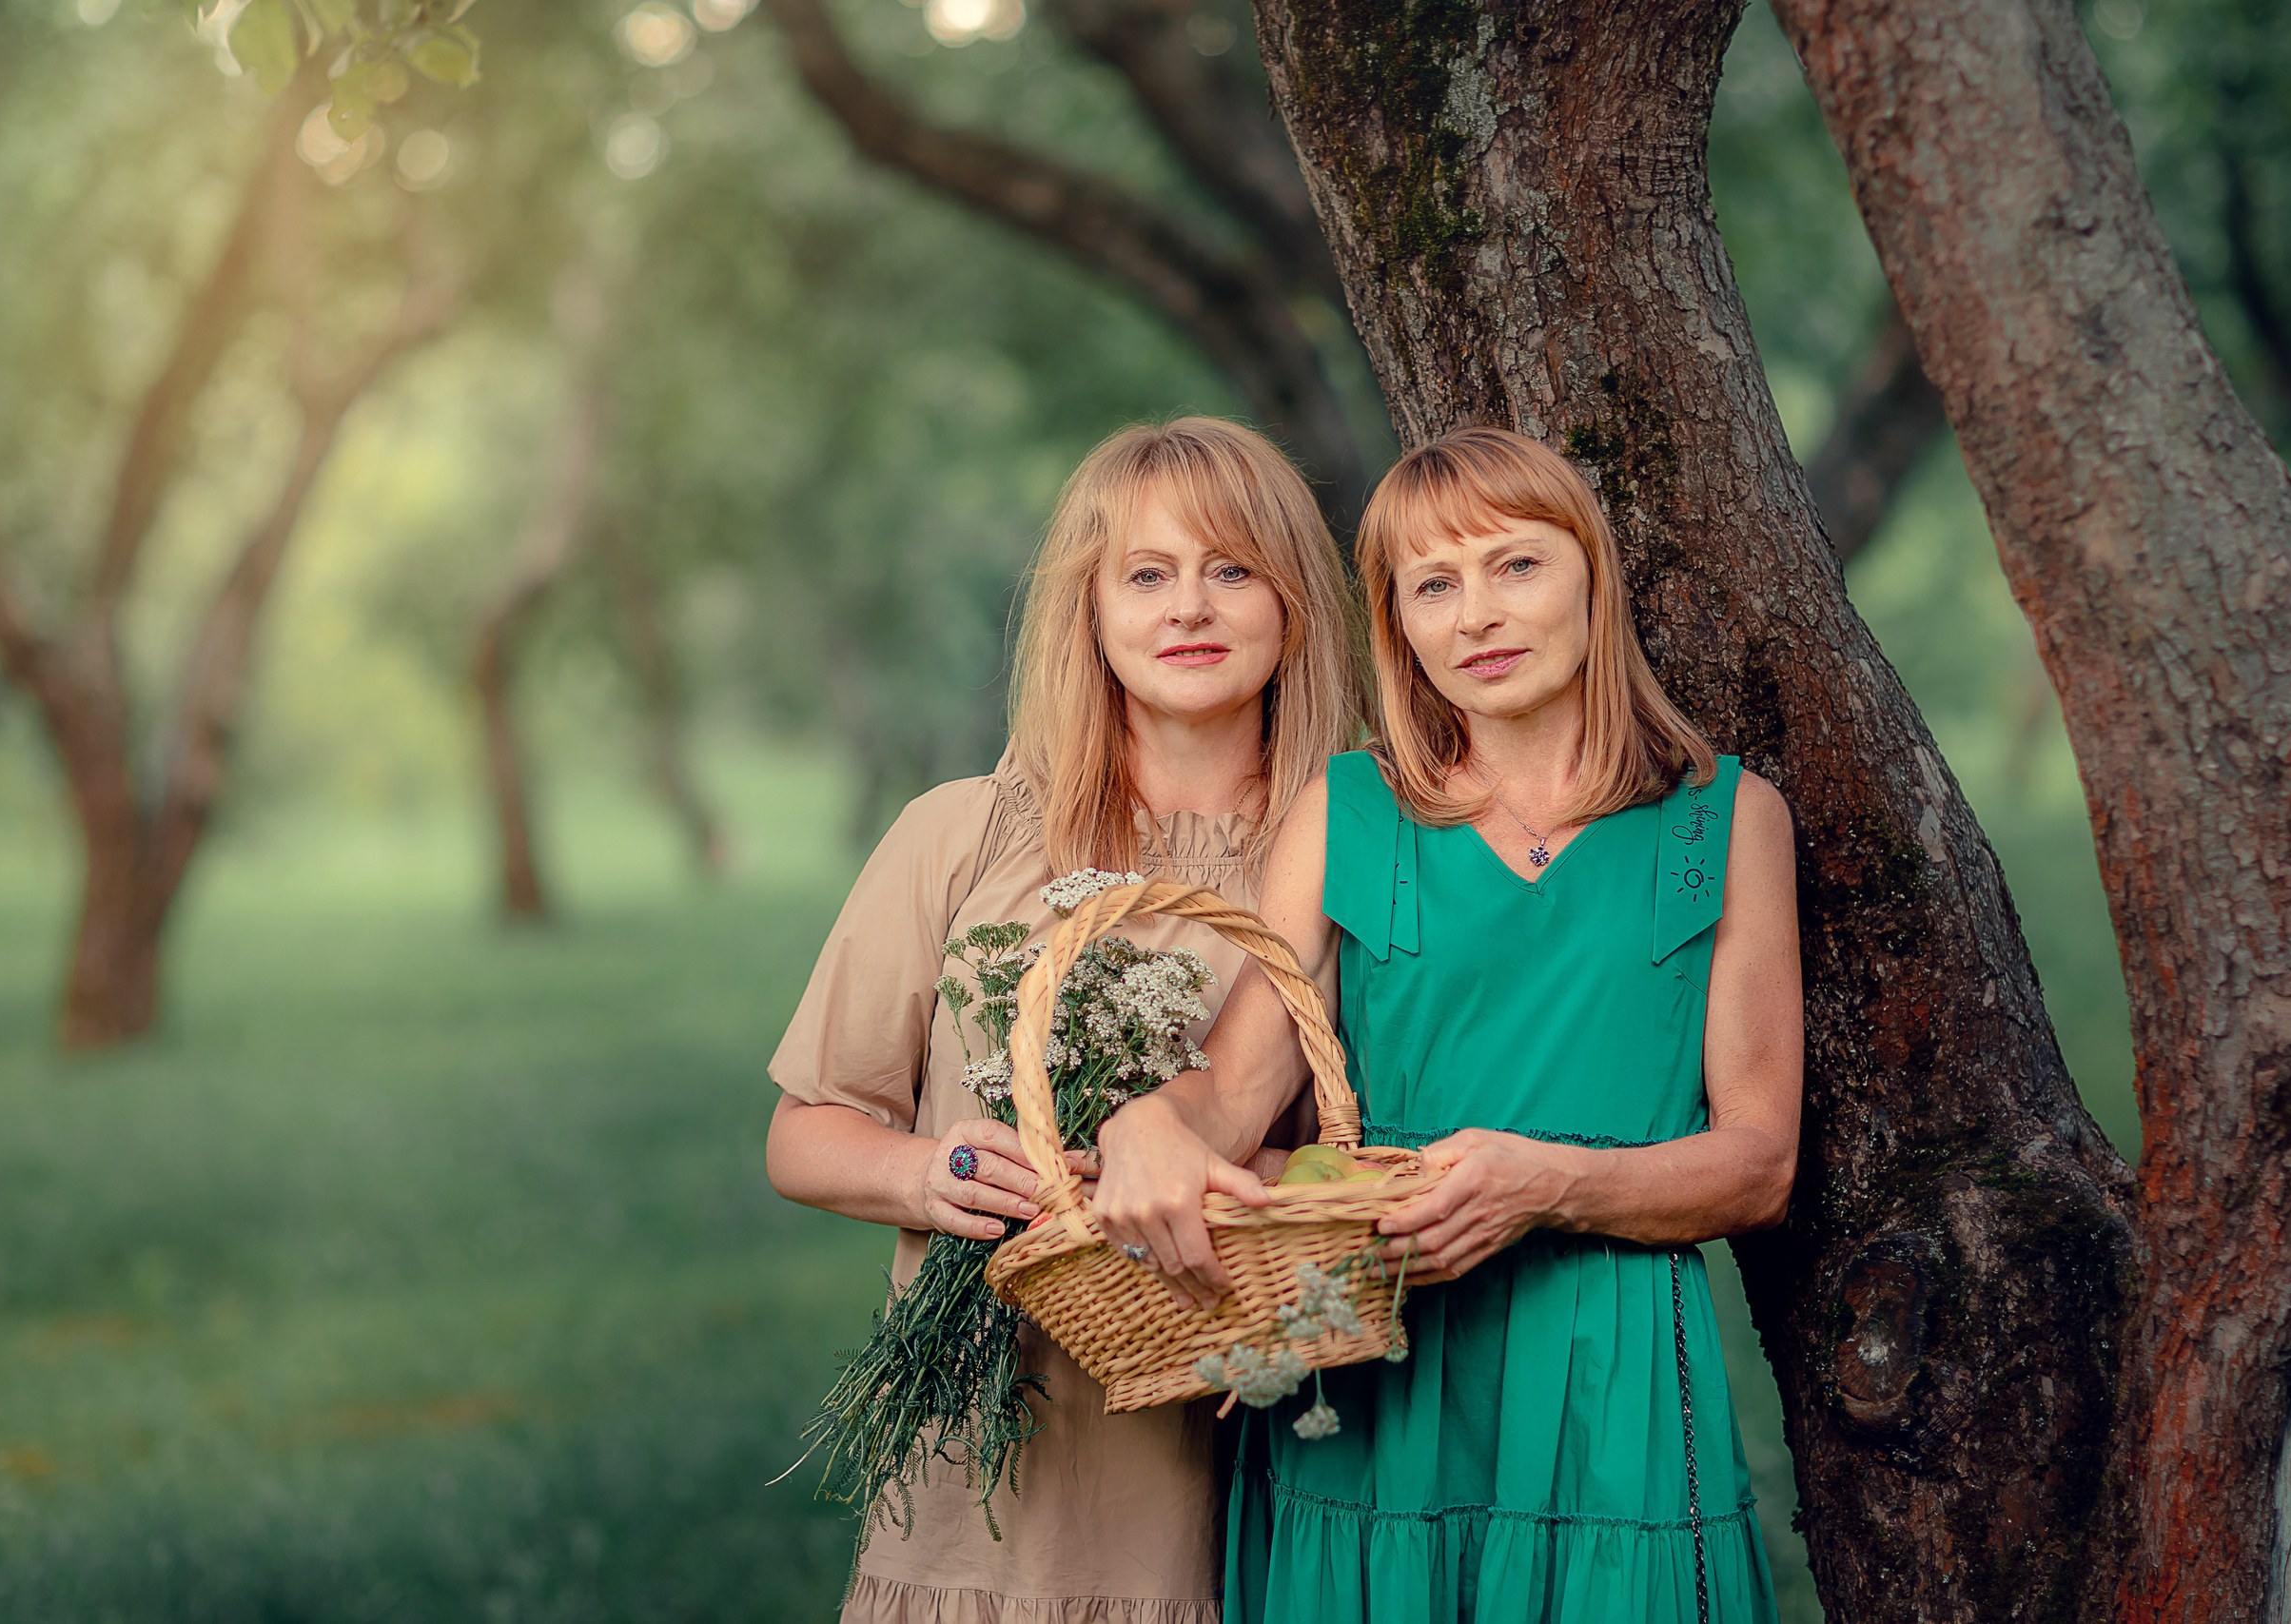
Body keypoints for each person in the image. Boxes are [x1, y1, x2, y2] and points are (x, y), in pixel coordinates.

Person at [1092, 426, 1802, 1622]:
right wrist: (1145, 1129)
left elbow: (1757, 1165)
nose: (1476, 615)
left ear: (1591, 576)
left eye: (1515, 566)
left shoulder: (1724, 821)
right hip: (1375, 1360)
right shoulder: (1350, 810)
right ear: (1401, 626)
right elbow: (1233, 1091)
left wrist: (1546, 1182)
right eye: (1434, 585)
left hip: (1609, 1374)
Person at [765, 417, 1362, 1624]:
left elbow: (1380, 1153)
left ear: (1293, 601)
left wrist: (1244, 1176)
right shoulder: (963, 832)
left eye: (1231, 568)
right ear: (1087, 611)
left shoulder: (1348, 858)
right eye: (1146, 575)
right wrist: (933, 1176)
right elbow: (805, 1132)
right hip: (984, 1456)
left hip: (1230, 1437)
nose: (1188, 607)